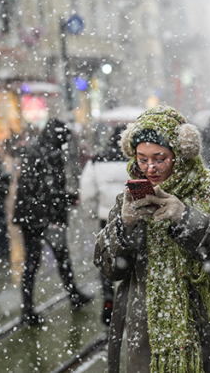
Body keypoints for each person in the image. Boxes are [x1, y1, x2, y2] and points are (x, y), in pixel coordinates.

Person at [94, 106, 210, 373]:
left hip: (207, 329)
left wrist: (186, 218)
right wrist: (124, 226)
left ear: (180, 153)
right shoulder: (128, 198)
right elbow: (110, 268)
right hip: (146, 336)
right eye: (142, 159)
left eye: (160, 158)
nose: (151, 168)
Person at [14, 118, 92, 326]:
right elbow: (48, 190)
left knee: (34, 262)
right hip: (44, 218)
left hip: (30, 216)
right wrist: (66, 201)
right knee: (58, 258)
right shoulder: (51, 154)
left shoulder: (35, 151)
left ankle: (29, 309)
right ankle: (70, 296)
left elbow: (35, 187)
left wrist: (62, 199)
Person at [79, 126, 128, 326]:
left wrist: (93, 212)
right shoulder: (137, 161)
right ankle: (128, 305)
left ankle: (108, 302)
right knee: (130, 263)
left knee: (107, 261)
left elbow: (86, 192)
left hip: (106, 218)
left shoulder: (97, 160)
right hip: (130, 221)